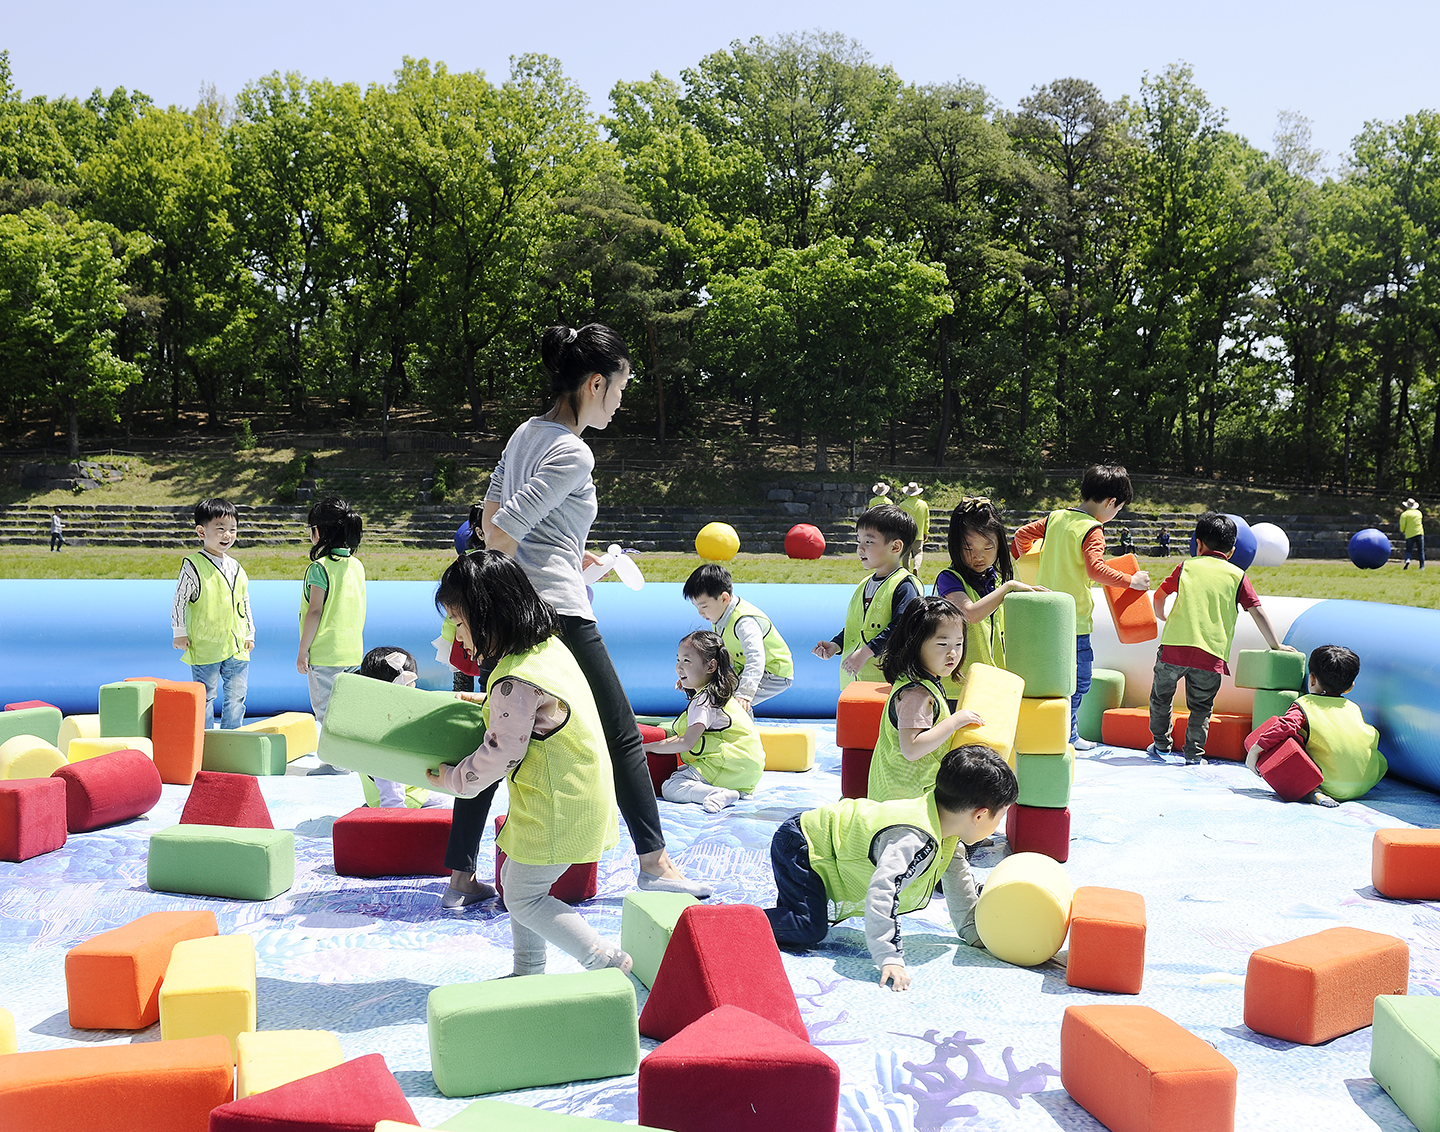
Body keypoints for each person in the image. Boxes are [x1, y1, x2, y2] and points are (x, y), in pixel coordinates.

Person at [462, 321, 705, 907]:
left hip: (519, 609)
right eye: (620, 388)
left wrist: (571, 555)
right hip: (554, 614)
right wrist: (513, 593)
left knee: (496, 736)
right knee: (622, 733)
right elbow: (504, 530)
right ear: (596, 383)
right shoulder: (573, 450)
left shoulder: (526, 432)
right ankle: (655, 862)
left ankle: (458, 877)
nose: (621, 402)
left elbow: (491, 512)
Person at [427, 551, 631, 975]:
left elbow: (502, 752)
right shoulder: (547, 649)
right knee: (520, 884)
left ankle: (604, 959)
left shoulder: (513, 680)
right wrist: (490, 702)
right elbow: (537, 711)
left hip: (556, 806)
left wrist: (452, 779)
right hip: (575, 794)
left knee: (522, 894)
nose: (457, 634)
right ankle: (527, 970)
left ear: (490, 616)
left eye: (460, 623)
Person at [764, 744, 1017, 991]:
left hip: (818, 848)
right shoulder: (913, 837)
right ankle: (733, 922)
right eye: (1001, 815)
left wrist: (977, 935)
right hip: (802, 846)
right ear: (980, 815)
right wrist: (890, 957)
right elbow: (883, 890)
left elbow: (959, 885)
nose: (998, 824)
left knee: (803, 919)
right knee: (807, 926)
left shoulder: (947, 832)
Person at [1012, 466, 1150, 750]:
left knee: (1048, 679)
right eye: (1118, 509)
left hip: (1045, 614)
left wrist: (1028, 559)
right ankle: (1067, 733)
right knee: (1079, 681)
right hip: (1074, 621)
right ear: (1110, 502)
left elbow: (1022, 535)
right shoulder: (1093, 529)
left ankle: (1048, 732)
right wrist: (1131, 581)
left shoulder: (1055, 518)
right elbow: (1096, 569)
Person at [1148, 512, 1295, 764]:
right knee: (1202, 707)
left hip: (1175, 648)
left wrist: (1160, 614)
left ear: (1198, 544)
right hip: (1211, 654)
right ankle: (1194, 755)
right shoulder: (1237, 575)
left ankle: (1161, 746)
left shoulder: (1186, 567)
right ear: (1232, 550)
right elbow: (1257, 611)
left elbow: (1159, 596)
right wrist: (1276, 645)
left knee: (1161, 698)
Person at [866, 597, 985, 804]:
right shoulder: (917, 694)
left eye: (959, 643)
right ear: (915, 643)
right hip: (906, 802)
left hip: (907, 798)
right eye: (942, 644)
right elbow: (912, 749)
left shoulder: (921, 683)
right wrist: (955, 722)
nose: (953, 653)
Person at [1245, 645, 1386, 807]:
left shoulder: (1305, 704)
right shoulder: (1353, 707)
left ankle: (1313, 792)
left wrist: (1256, 749)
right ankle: (1353, 780)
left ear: (1311, 679)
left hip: (1328, 783)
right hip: (1365, 784)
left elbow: (1286, 726)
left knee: (1283, 739)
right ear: (1350, 687)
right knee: (1378, 757)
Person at [641, 631, 765, 813]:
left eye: (687, 661)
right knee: (684, 769)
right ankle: (734, 790)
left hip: (726, 766)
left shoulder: (704, 700)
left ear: (710, 666)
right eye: (678, 660)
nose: (679, 667)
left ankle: (717, 793)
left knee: (671, 786)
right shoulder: (721, 695)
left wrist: (648, 747)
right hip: (747, 772)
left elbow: (686, 742)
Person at [934, 498, 1038, 704]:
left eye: (988, 548)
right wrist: (1008, 588)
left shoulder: (996, 580)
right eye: (968, 548)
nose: (978, 556)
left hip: (993, 683)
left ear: (999, 545)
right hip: (958, 687)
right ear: (955, 545)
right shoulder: (949, 579)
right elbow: (970, 614)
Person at [813, 504, 921, 686]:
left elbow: (902, 627)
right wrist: (836, 645)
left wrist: (865, 652)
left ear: (895, 547)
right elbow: (857, 628)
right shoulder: (865, 584)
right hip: (857, 682)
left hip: (887, 684)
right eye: (859, 541)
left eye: (868, 542)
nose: (860, 548)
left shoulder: (904, 585)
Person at [297, 496, 367, 775]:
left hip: (326, 653)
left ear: (321, 532)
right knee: (347, 709)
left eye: (310, 528)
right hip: (351, 650)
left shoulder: (320, 568)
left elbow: (315, 612)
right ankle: (347, 757)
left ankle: (338, 763)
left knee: (326, 710)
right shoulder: (357, 566)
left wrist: (303, 650)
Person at [172, 498, 253, 729]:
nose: (227, 535)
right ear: (201, 531)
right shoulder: (193, 565)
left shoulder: (237, 567)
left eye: (232, 529)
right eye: (220, 529)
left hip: (236, 644)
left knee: (237, 695)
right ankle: (205, 741)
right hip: (206, 644)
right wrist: (179, 632)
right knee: (205, 696)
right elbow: (179, 601)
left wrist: (249, 633)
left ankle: (231, 738)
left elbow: (244, 601)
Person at [682, 563, 793, 712]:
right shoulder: (718, 616)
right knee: (716, 693)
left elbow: (756, 658)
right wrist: (691, 675)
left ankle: (744, 734)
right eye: (697, 607)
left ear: (724, 598)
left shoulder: (744, 622)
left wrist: (745, 694)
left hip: (773, 672)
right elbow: (714, 654)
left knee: (734, 703)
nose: (700, 613)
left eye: (704, 606)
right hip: (741, 668)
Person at [355, 646, 446, 809]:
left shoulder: (370, 718)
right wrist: (394, 814)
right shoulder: (386, 732)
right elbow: (389, 781)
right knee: (456, 803)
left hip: (378, 799)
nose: (416, 685)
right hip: (407, 802)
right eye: (412, 681)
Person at [897, 482, 931, 572]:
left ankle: (906, 571)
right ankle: (916, 567)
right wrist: (925, 532)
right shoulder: (923, 505)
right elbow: (926, 520)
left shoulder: (902, 505)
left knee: (905, 554)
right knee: (918, 553)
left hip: (905, 534)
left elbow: (899, 521)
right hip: (918, 534)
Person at [1400, 498, 1425, 570]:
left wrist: (1403, 530)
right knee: (1421, 551)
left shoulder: (1404, 514)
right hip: (1419, 533)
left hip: (1409, 534)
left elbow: (1402, 525)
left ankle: (1408, 560)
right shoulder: (1419, 513)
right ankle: (1422, 567)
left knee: (1408, 550)